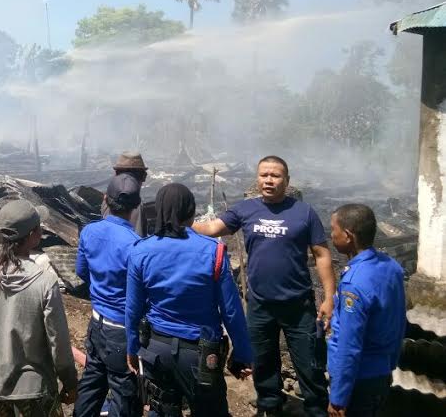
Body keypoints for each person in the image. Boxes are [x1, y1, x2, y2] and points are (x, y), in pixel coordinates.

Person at [193, 156, 334, 417]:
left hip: (298, 305)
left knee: (310, 366)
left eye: (275, 175)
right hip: (260, 305)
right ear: (257, 179)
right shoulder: (245, 209)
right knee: (264, 364)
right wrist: (181, 224)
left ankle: (316, 410)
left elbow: (322, 254)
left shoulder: (304, 212)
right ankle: (269, 408)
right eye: (264, 175)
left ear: (287, 181)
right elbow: (213, 228)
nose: (269, 180)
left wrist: (329, 297)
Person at [126, 183, 253, 416]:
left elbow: (133, 309)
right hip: (200, 356)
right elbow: (231, 310)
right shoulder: (213, 251)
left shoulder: (140, 251)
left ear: (160, 211)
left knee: (162, 409)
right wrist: (243, 353)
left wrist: (132, 347)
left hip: (156, 350)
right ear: (191, 211)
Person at [0, 199, 78, 416]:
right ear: (32, 236)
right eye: (39, 227)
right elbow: (58, 340)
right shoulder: (45, 281)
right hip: (37, 389)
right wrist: (70, 381)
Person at [74, 174, 143, 417]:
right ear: (136, 205)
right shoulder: (136, 245)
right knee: (125, 396)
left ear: (105, 199)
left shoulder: (90, 231)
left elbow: (82, 271)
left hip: (97, 323)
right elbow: (140, 295)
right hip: (122, 332)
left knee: (92, 385)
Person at [327, 204, 405, 417]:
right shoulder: (391, 266)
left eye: (333, 230)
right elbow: (399, 323)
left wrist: (338, 397)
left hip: (358, 381)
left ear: (348, 235)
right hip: (380, 372)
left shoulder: (355, 283)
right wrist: (390, 365)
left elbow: (349, 344)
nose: (331, 235)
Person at [100, 151, 150, 235]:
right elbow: (137, 240)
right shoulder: (135, 206)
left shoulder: (108, 199)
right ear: (139, 177)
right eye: (142, 176)